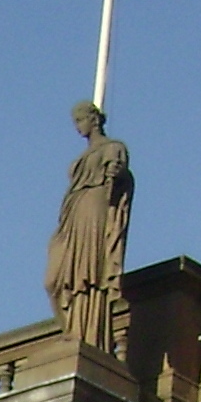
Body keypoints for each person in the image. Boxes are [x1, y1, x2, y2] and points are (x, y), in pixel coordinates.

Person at [43, 102, 134, 353]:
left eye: (80, 120)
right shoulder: (83, 156)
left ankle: (85, 334)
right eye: (75, 121)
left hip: (94, 210)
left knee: (88, 273)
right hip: (72, 215)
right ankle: (70, 329)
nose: (77, 127)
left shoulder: (113, 148)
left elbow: (121, 179)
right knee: (53, 280)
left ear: (94, 119)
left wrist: (118, 174)